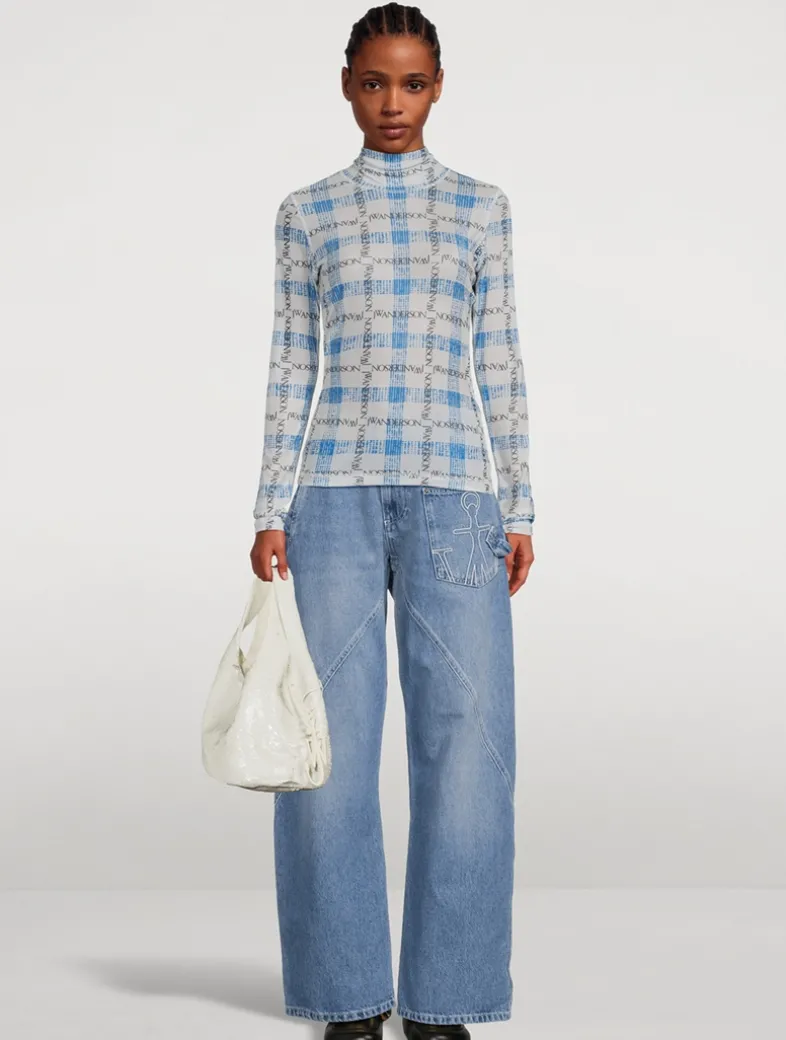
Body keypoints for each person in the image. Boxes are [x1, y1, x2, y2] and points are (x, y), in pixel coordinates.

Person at [250, 5, 535, 1038]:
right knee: (325, 745)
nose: (393, 103)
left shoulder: (481, 208)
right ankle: (348, 995)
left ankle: (444, 997)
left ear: (439, 85)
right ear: (346, 84)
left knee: (469, 745)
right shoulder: (308, 212)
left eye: (412, 83)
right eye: (374, 82)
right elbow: (292, 362)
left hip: (457, 496)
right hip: (330, 496)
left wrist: (520, 500)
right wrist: (269, 503)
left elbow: (498, 356)